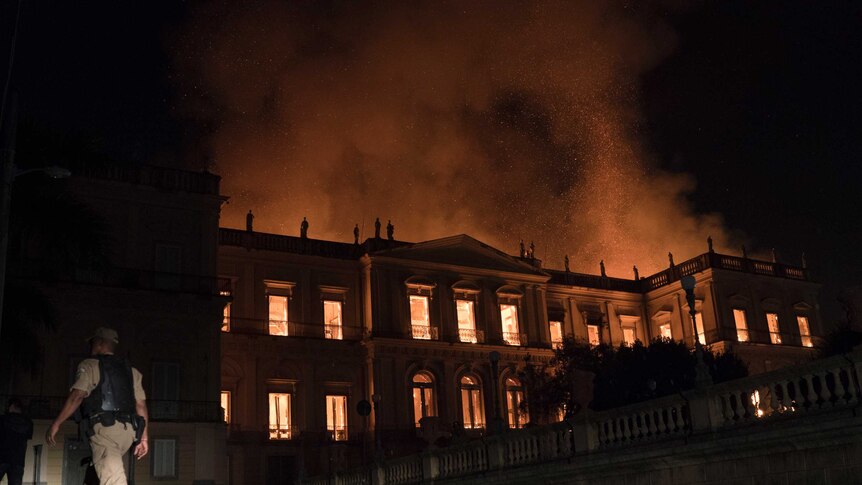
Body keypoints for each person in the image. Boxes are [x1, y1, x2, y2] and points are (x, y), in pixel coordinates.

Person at [46, 327, 149, 485]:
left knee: (114, 481)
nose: (90, 346)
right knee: (97, 472)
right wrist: (144, 437)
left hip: (105, 431)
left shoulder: (90, 365)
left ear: (99, 343)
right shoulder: (132, 371)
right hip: (128, 433)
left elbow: (77, 395)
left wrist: (56, 423)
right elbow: (140, 405)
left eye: (92, 343)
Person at [0, 398, 33, 485]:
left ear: (11, 406)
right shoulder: (28, 423)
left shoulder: (2, 419)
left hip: (2, 457)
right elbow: (28, 436)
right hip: (18, 461)